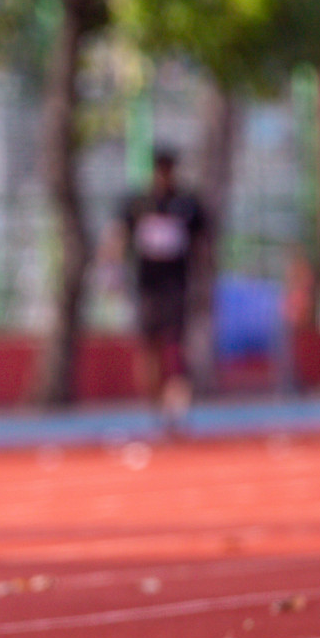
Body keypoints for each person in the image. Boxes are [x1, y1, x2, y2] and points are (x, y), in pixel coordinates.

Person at [108, 147, 207, 433]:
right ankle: (157, 408)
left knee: (176, 347)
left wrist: (203, 285)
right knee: (150, 348)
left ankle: (176, 410)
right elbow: (118, 238)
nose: (164, 175)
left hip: (177, 286)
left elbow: (202, 247)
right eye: (160, 169)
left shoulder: (187, 204)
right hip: (147, 287)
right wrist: (112, 273)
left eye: (168, 168)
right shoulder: (139, 204)